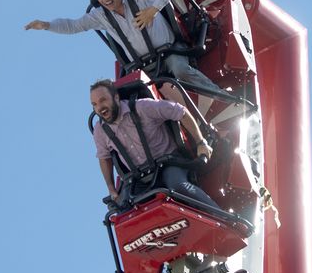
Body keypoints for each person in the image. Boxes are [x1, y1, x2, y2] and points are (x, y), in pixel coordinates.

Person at [25, 0, 223, 97]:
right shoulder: (100, 15)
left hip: (169, 51)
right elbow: (74, 25)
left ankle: (220, 97)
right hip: (144, 66)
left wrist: (152, 11)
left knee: (181, 70)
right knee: (134, 99)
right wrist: (47, 25)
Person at [89, 78, 220, 210]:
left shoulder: (142, 107)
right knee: (122, 208)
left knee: (178, 186)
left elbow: (181, 112)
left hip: (169, 162)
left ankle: (222, 218)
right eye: (94, 104)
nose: (99, 108)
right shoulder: (100, 131)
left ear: (116, 98)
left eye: (103, 100)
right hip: (140, 177)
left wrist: (201, 142)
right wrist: (111, 189)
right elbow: (104, 157)